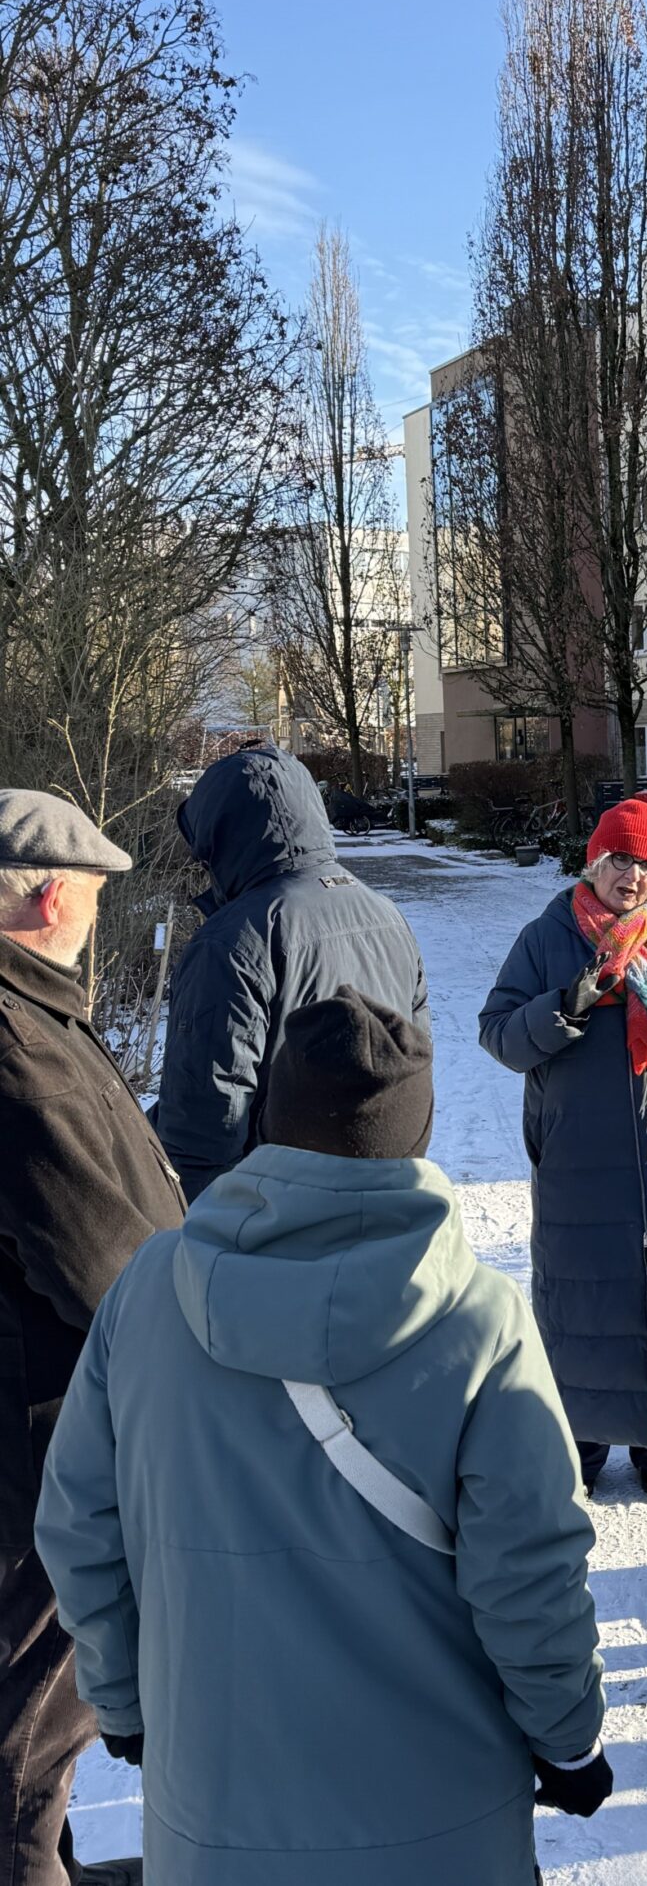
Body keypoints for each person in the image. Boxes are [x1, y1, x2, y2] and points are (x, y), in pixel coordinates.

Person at [36, 989, 607, 1886]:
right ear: (418, 1132)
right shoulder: (480, 1322)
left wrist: (125, 1702)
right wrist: (568, 1741)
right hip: (441, 1828)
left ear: (269, 1118)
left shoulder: (148, 1289)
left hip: (212, 1823)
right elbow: (529, 1569)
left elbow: (77, 1525)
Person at [0, 791, 186, 1886]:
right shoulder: (19, 1048)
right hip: (38, 1455)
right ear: (52, 896)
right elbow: (107, 1265)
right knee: (25, 1747)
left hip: (45, 1434)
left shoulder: (35, 1013)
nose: (100, 914)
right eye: (96, 894)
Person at [478, 797, 647, 1496]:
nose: (633, 876)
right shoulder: (547, 938)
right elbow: (498, 1032)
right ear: (595, 862)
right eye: (621, 859)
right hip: (579, 1154)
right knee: (586, 1305)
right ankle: (583, 1449)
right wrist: (563, 1006)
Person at [154, 741, 427, 1198]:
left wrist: (200, 1225)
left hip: (273, 1211)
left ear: (220, 835)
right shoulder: (387, 914)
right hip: (381, 1196)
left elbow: (203, 1125)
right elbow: (413, 1061)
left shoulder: (233, 940)